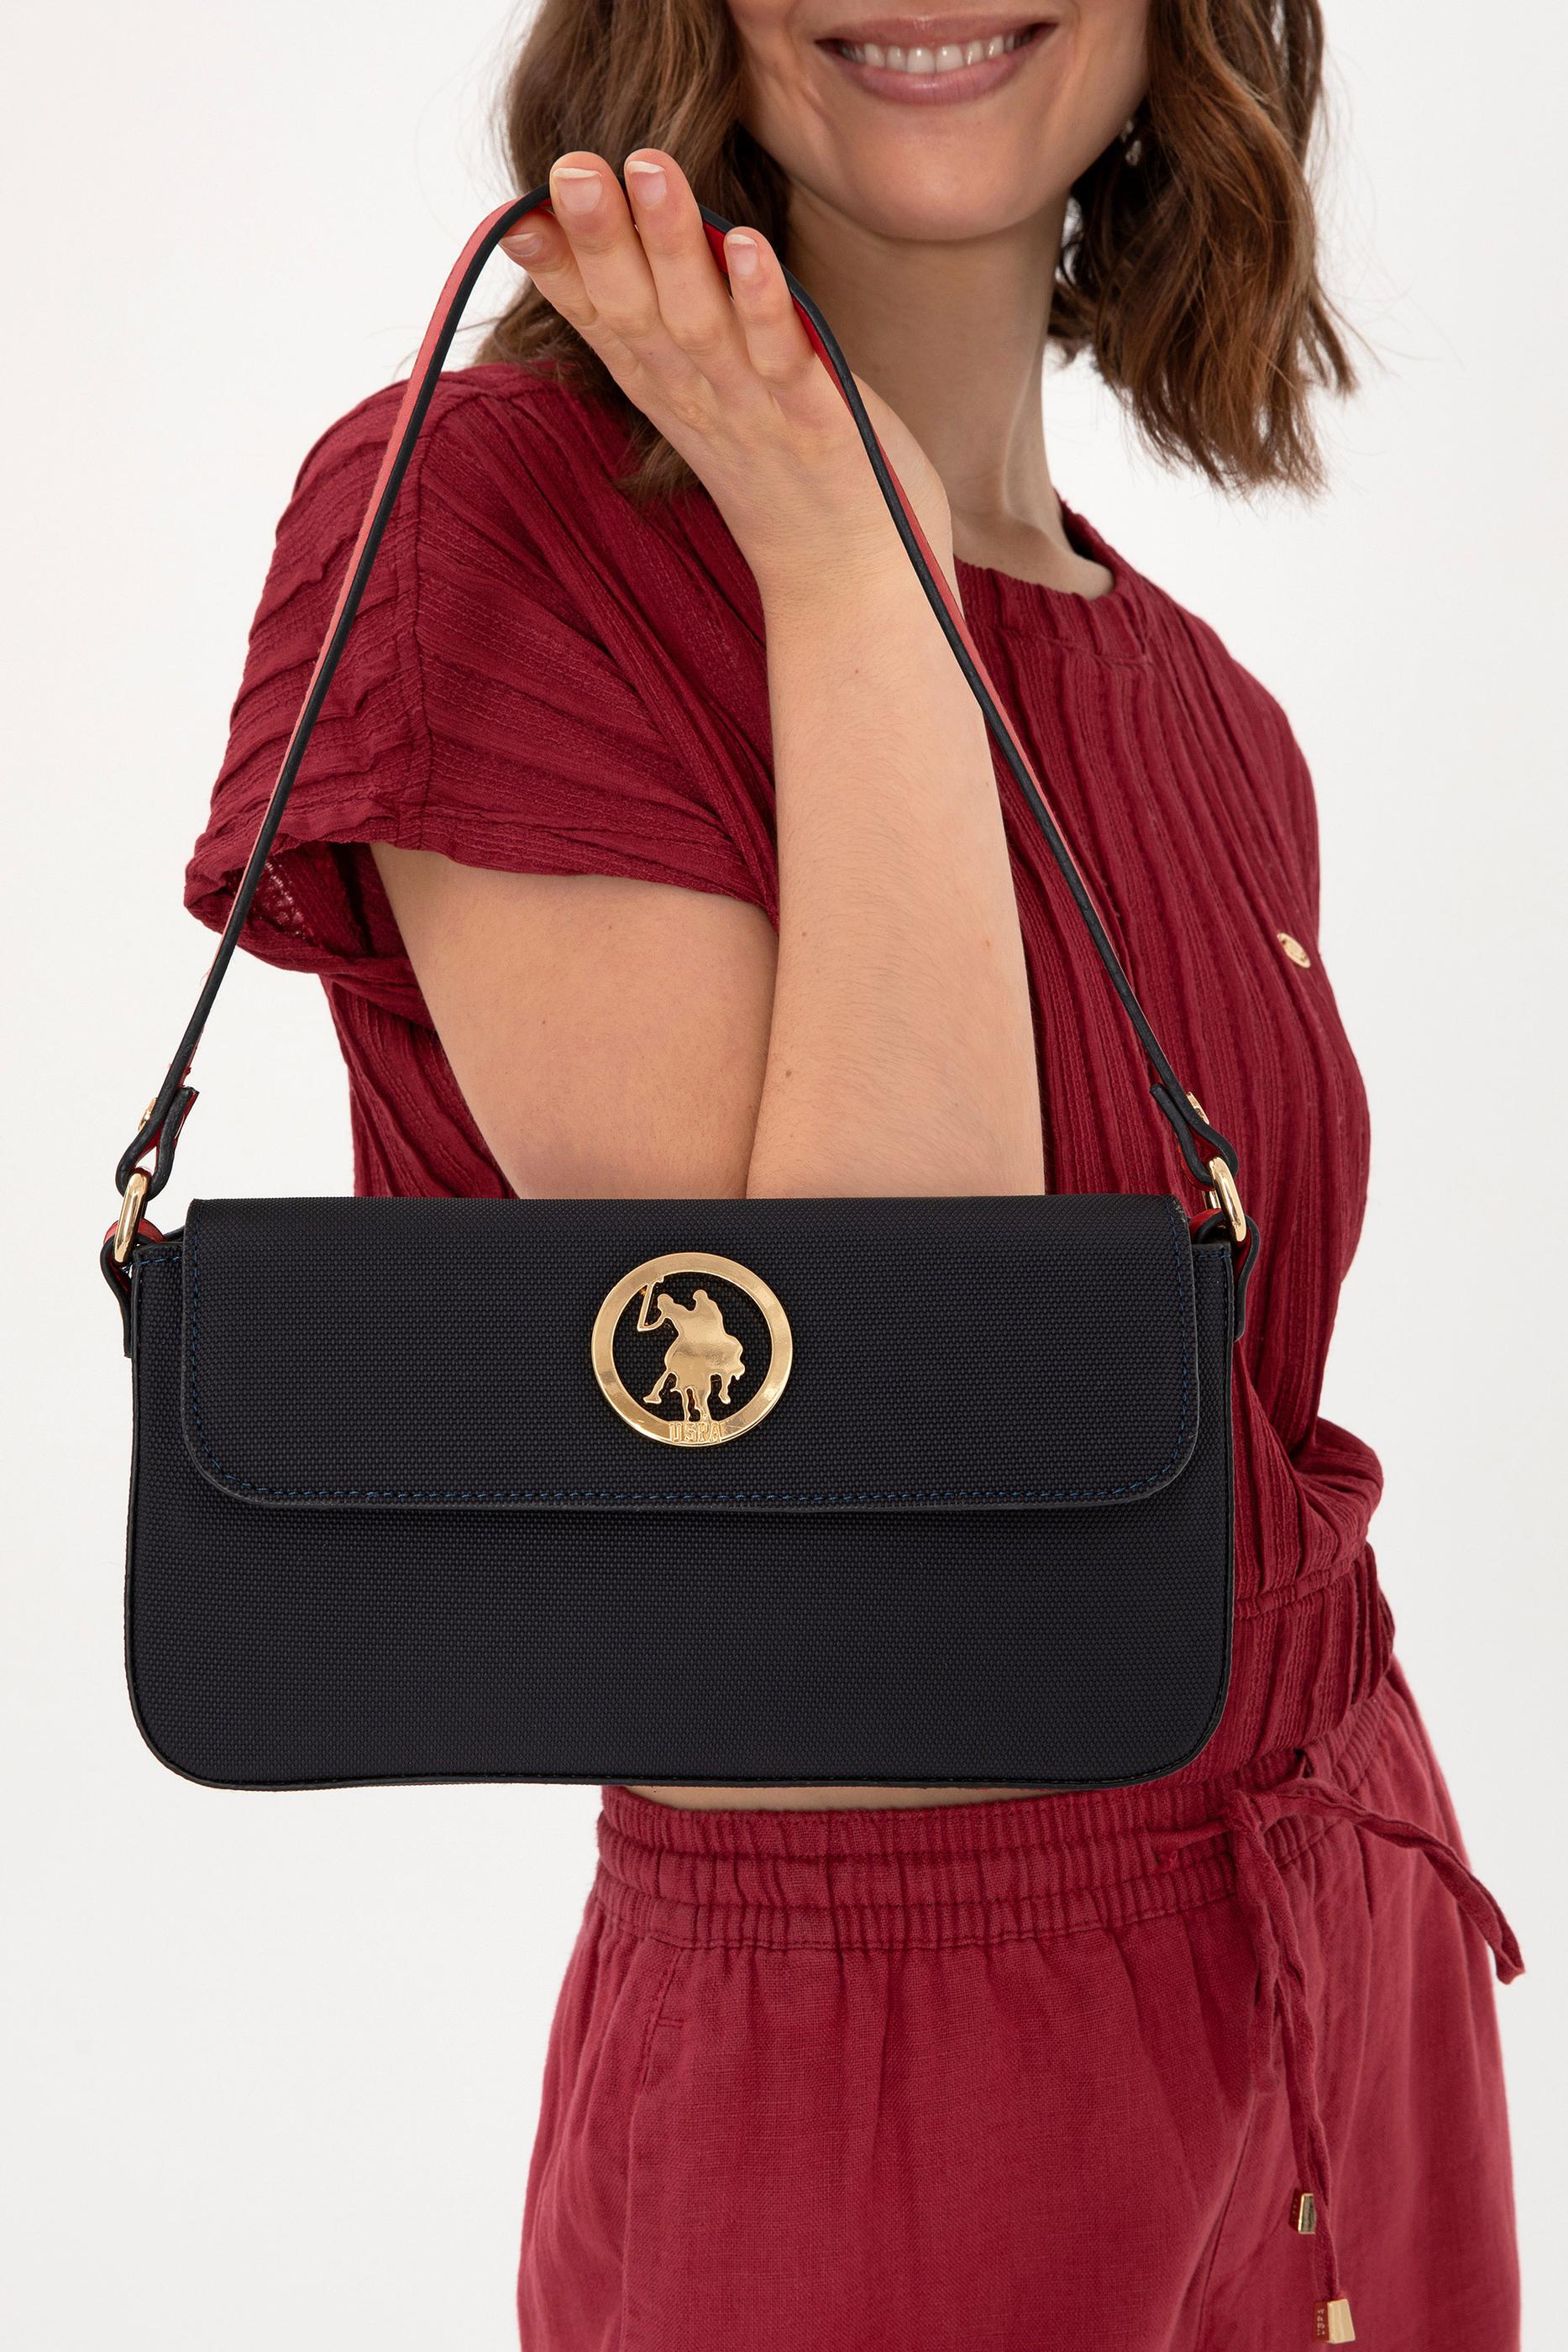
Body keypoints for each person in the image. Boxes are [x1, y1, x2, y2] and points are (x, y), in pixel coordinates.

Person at [187, 3, 1521, 2344]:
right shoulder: (495, 523)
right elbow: (848, 1534)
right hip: (886, 2074)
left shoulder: (1207, 704)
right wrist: (842, 558)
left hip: (1348, 1964)